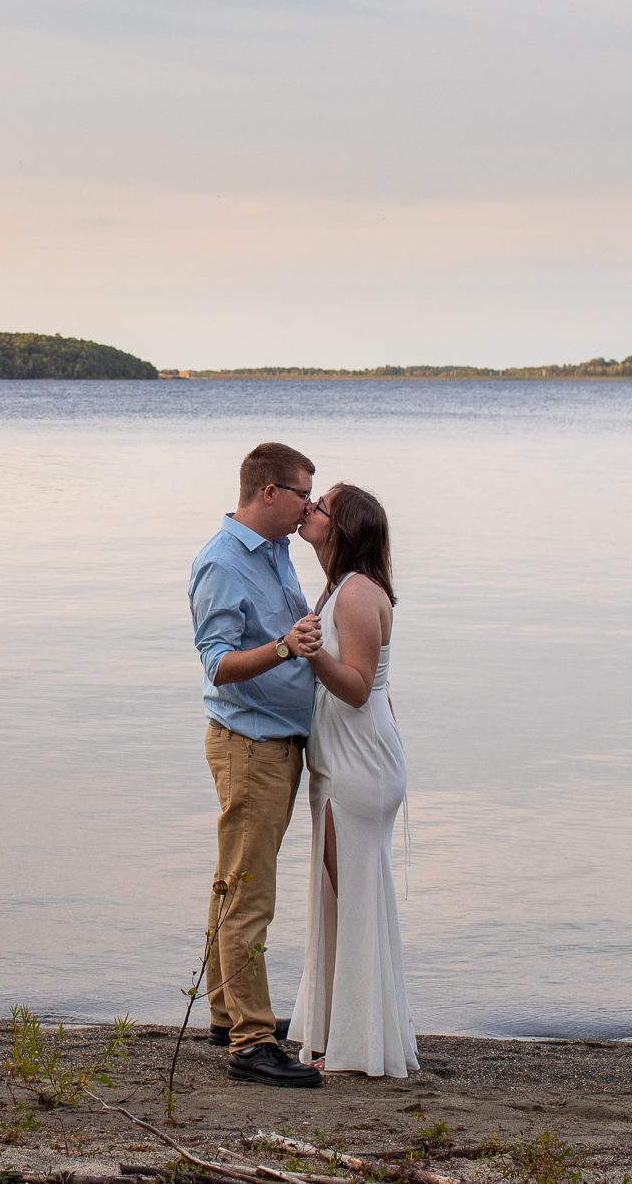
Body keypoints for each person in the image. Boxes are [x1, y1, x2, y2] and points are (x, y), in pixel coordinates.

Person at [188, 441, 326, 1089]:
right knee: (250, 893)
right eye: (303, 492)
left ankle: (226, 1013)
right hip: (251, 745)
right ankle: (251, 1041)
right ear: (269, 491)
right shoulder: (221, 562)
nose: (310, 505)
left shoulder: (275, 553)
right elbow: (217, 661)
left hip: (276, 741)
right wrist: (282, 646)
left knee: (232, 882)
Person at [287, 483, 417, 1076]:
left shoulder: (357, 595)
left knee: (352, 894)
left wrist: (310, 653)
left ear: (342, 528)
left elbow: (361, 689)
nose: (309, 512)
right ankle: (343, 1035)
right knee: (343, 894)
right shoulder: (340, 586)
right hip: (348, 758)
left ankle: (357, 1047)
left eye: (321, 508)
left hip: (358, 765)